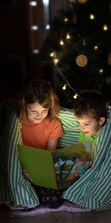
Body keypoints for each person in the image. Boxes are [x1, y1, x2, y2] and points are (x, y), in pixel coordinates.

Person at [15, 79, 65, 208]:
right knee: (22, 196)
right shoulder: (17, 122)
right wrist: (21, 170)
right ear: (24, 106)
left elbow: (49, 155)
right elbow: (11, 153)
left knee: (54, 200)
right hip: (21, 169)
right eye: (33, 111)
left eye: (44, 110)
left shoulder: (54, 123)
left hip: (41, 168)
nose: (39, 115)